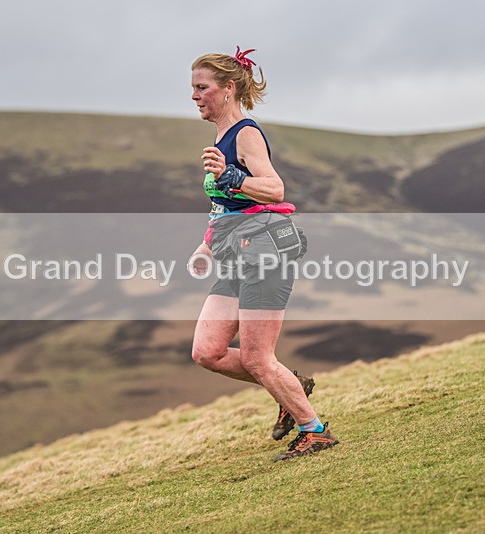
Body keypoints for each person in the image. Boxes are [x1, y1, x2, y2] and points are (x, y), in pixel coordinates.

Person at [188, 46, 338, 461]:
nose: (195, 96)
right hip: (236, 254)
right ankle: (290, 384)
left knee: (256, 358)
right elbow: (226, 205)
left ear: (228, 88)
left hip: (267, 254)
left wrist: (231, 174)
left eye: (202, 88)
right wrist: (205, 245)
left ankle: (315, 431)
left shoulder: (246, 133)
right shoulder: (219, 137)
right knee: (208, 351)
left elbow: (274, 189)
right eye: (193, 89)